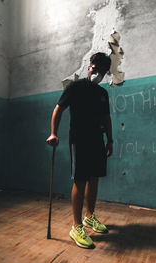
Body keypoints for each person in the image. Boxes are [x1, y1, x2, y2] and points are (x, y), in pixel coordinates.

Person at [46, 52, 113, 249]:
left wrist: (110, 140)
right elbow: (58, 109)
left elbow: (106, 118)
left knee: (94, 179)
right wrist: (53, 133)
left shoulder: (103, 94)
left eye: (103, 72)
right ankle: (76, 226)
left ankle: (89, 217)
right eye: (96, 69)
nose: (98, 74)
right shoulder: (75, 87)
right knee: (81, 179)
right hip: (79, 140)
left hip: (97, 140)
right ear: (89, 67)